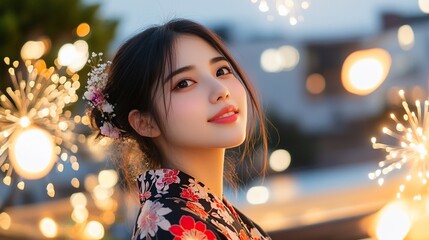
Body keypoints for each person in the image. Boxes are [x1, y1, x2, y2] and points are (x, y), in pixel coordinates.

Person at [85, 18, 270, 239]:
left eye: (221, 71)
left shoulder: (196, 212)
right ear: (145, 122)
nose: (221, 90)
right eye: (184, 83)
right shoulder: (172, 226)